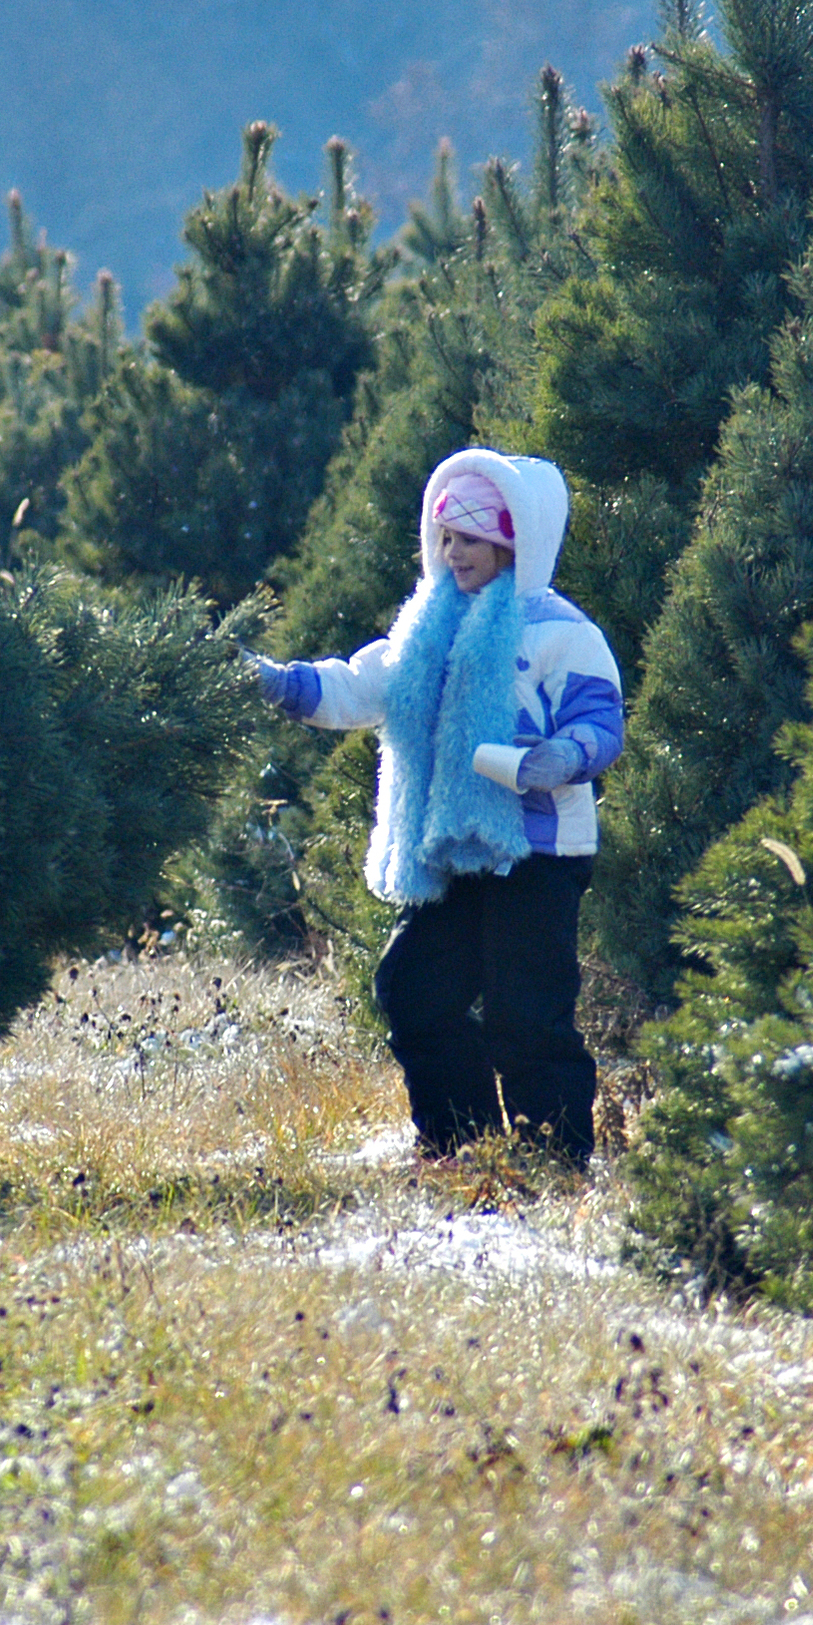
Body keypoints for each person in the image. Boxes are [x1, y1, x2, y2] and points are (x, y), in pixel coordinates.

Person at [253, 448, 624, 1163]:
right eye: (445, 536)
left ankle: (557, 1159)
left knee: (527, 1016)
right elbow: (361, 687)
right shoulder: (428, 626)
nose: (452, 553)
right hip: (453, 847)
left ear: (516, 541)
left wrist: (565, 755)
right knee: (412, 989)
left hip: (537, 851)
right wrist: (281, 685)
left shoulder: (562, 631)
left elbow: (600, 720)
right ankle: (464, 1144)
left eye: (471, 539)